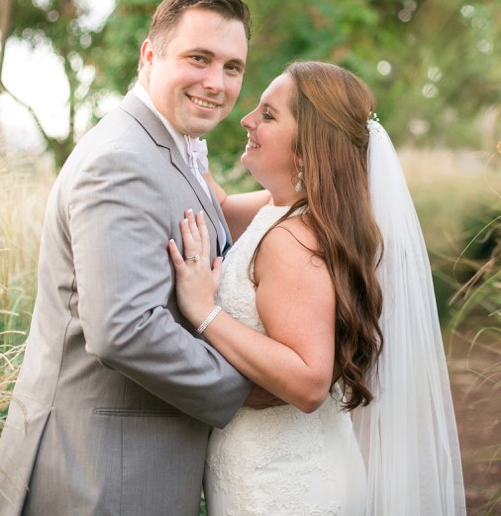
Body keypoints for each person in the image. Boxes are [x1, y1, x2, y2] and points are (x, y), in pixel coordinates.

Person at [0, 0, 260, 516]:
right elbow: (124, 329)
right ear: (149, 56)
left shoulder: (169, 147)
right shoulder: (122, 159)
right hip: (100, 474)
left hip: (130, 465)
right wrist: (245, 388)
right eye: (198, 59)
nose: (215, 83)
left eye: (231, 67)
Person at [169, 60, 467, 515]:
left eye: (268, 115)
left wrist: (204, 313)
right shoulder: (285, 209)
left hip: (281, 485)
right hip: (287, 466)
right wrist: (181, 133)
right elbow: (223, 208)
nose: (247, 119)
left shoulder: (291, 239)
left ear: (306, 152)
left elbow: (309, 381)